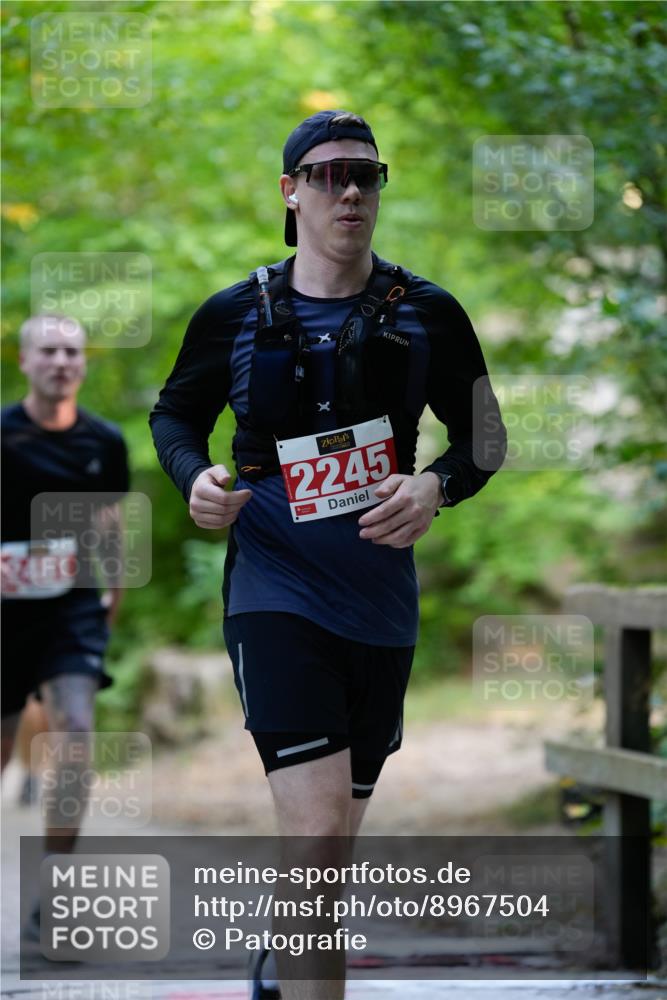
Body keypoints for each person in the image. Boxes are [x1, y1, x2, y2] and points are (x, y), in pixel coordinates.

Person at [149, 110, 506, 1000]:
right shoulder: (235, 312)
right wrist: (197, 477)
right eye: (326, 174)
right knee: (313, 847)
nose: (349, 190)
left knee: (328, 854)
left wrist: (436, 486)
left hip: (379, 604)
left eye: (366, 175)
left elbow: (486, 438)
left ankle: (280, 962)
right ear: (290, 192)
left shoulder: (427, 312)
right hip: (272, 591)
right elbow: (174, 416)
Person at [1, 313, 130, 939]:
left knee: (75, 730)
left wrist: (113, 592)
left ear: (83, 364)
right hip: (3, 610)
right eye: (48, 351)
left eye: (71, 352)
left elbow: (111, 527)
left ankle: (55, 885)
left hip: (72, 604)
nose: (60, 361)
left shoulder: (104, 442)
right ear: (24, 361)